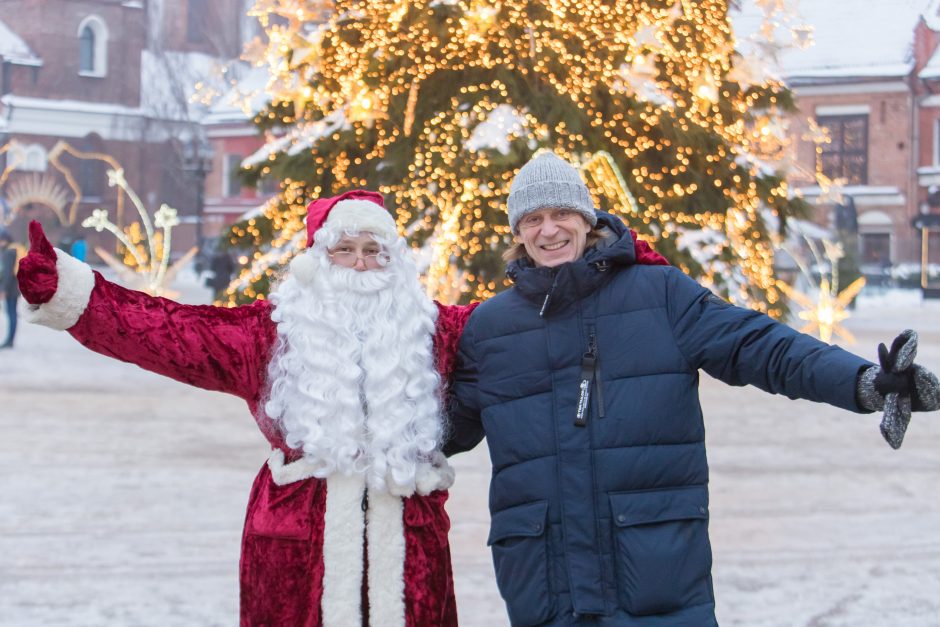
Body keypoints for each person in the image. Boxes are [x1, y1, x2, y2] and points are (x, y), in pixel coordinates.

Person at [443, 152, 940, 626]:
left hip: (655, 574)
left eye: (561, 214)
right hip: (546, 586)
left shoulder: (660, 294)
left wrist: (862, 383)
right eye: (532, 219)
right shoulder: (489, 328)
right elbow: (440, 427)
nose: (548, 230)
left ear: (587, 218)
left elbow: (761, 346)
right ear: (517, 233)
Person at [16, 190, 477, 626]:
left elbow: (520, 327)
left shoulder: (434, 330)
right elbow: (169, 332)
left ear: (393, 261)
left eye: (374, 250)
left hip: (406, 546)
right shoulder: (271, 333)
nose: (360, 264)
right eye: (345, 249)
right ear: (317, 261)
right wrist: (74, 294)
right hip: (295, 544)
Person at [0, 229, 20, 349]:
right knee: (12, 313)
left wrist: (3, 290)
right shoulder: (13, 250)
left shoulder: (8, 253)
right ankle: (10, 339)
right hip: (14, 287)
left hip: (10, 289)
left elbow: (7, 273)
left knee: (11, 314)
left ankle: (10, 340)